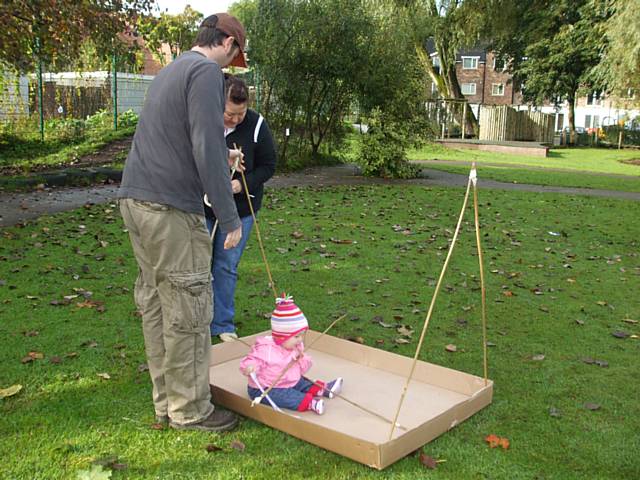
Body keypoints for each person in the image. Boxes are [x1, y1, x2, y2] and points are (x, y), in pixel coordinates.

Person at [117, 13, 248, 433]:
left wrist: (221, 156)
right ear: (226, 42)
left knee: (157, 306)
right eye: (235, 55)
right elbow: (206, 143)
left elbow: (183, 139)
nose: (232, 65)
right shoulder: (207, 72)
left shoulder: (172, 69)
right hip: (170, 210)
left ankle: (167, 404)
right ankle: (191, 411)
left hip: (136, 199)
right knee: (189, 308)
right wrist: (229, 217)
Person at [204, 75, 277, 342]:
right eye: (229, 113)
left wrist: (241, 183)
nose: (235, 120)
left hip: (241, 210)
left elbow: (268, 166)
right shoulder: (205, 120)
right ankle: (198, 320)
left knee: (225, 265)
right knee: (199, 264)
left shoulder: (257, 124)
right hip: (203, 208)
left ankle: (222, 324)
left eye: (240, 113)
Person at [239, 296, 343, 414]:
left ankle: (322, 389)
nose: (300, 340)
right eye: (296, 336)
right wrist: (250, 367)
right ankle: (309, 402)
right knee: (286, 396)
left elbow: (301, 370)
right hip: (266, 388)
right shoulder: (266, 349)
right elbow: (252, 359)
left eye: (303, 335)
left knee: (301, 382)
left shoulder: (295, 346)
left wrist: (302, 359)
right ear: (281, 336)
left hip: (288, 380)